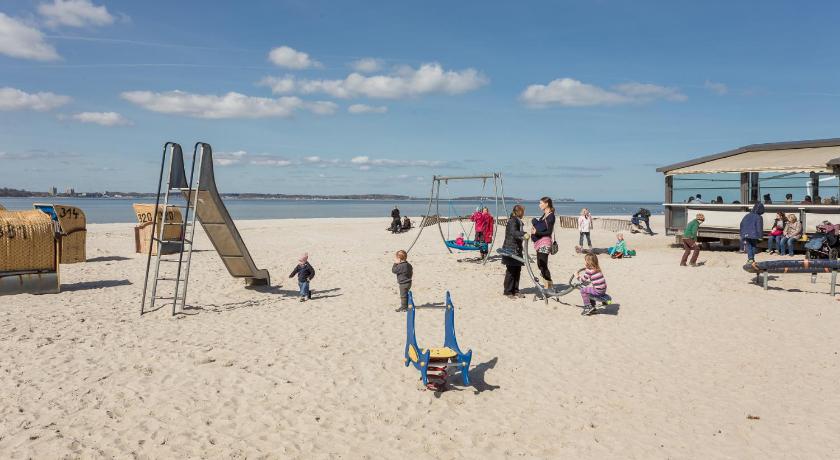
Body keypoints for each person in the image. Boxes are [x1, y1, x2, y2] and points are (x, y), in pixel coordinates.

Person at [501, 204, 527, 298]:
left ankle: (515, 290)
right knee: (511, 271)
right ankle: (508, 291)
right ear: (519, 212)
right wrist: (524, 234)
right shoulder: (512, 221)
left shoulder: (518, 221)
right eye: (522, 212)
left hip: (517, 248)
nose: (523, 214)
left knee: (517, 270)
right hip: (511, 249)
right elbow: (514, 233)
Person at [530, 197, 556, 288]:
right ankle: (547, 284)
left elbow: (548, 232)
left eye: (541, 203)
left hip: (545, 242)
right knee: (540, 264)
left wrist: (536, 232)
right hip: (539, 242)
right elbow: (539, 226)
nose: (539, 205)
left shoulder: (551, 216)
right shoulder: (544, 215)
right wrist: (535, 224)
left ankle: (549, 286)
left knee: (543, 265)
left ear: (547, 204)